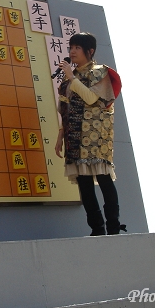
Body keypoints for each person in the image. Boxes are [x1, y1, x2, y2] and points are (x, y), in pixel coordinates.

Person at [54, 32, 125, 236]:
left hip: (95, 135)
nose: (72, 51)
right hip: (74, 135)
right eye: (71, 48)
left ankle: (113, 226)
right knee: (84, 186)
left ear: (90, 51)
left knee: (103, 179)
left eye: (77, 47)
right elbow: (64, 110)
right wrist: (60, 136)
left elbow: (92, 98)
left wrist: (71, 77)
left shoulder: (99, 72)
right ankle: (97, 228)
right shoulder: (69, 79)